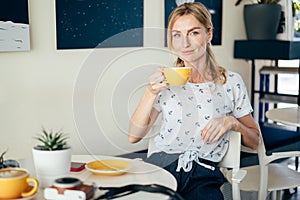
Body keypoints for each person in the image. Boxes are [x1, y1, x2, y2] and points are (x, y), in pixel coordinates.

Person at [128, 2, 260, 200]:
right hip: (160, 166)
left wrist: (232, 122)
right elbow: (133, 136)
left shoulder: (231, 82)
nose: (185, 44)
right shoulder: (165, 80)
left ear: (209, 34)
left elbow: (255, 141)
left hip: (203, 174)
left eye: (194, 33)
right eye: (177, 35)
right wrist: (150, 92)